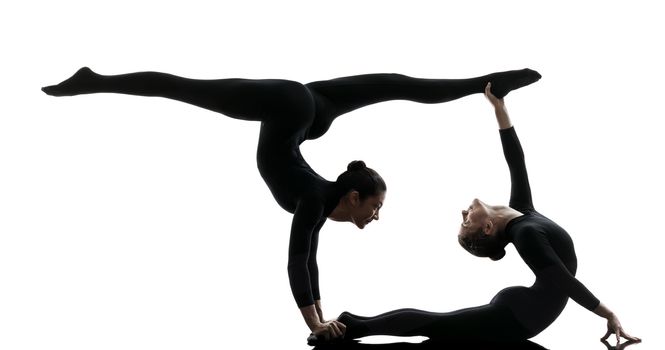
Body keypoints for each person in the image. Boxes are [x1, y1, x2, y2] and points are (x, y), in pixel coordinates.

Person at [42, 68, 541, 340]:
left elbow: (311, 258)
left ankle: (491, 84)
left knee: (398, 85)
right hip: (288, 104)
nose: (375, 215)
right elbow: (299, 259)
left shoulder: (318, 199)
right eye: (374, 206)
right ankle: (96, 81)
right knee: (185, 89)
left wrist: (323, 320)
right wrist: (315, 322)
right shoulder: (310, 198)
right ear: (352, 196)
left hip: (311, 110)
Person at [334, 83, 641, 345]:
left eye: (464, 217)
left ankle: (355, 323)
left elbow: (516, 160)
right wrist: (608, 313)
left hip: (520, 312)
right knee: (435, 326)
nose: (464, 212)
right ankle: (354, 325)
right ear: (488, 228)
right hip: (520, 318)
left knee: (438, 325)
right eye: (466, 221)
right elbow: (563, 281)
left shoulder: (522, 213)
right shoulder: (527, 234)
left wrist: (499, 106)